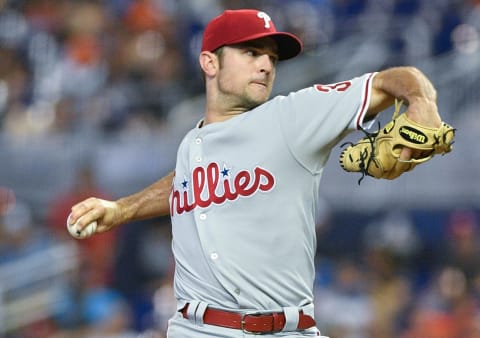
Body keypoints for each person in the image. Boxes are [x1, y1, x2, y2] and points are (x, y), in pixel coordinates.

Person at [69, 9, 443, 338]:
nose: (266, 65)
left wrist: (422, 102)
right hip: (195, 328)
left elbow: (395, 79)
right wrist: (122, 209)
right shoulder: (192, 144)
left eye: (271, 57)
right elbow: (185, 181)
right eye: (251, 53)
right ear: (210, 63)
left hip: (286, 329)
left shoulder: (292, 117)